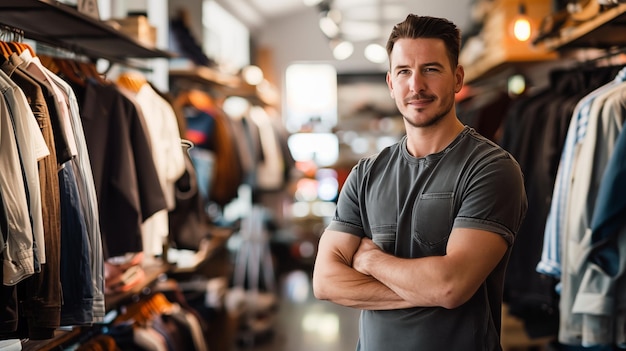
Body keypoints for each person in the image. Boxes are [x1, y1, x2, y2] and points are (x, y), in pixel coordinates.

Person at [312, 14, 528, 351]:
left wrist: (370, 262)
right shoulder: (365, 174)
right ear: (390, 82)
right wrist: (425, 289)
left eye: (431, 69)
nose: (416, 86)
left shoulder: (490, 169)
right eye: (403, 72)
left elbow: (450, 287)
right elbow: (326, 281)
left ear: (457, 78)